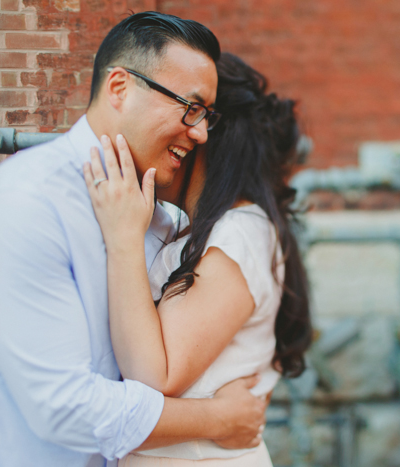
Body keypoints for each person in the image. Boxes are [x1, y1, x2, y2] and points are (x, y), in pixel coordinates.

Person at [0, 13, 267, 467]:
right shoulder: (25, 203)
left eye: (207, 115)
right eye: (189, 108)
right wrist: (215, 420)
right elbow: (62, 406)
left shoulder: (161, 221)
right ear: (119, 88)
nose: (201, 132)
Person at [83, 53, 313, 466]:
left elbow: (156, 378)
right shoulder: (209, 230)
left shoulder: (238, 233)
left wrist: (123, 240)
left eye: (190, 116)